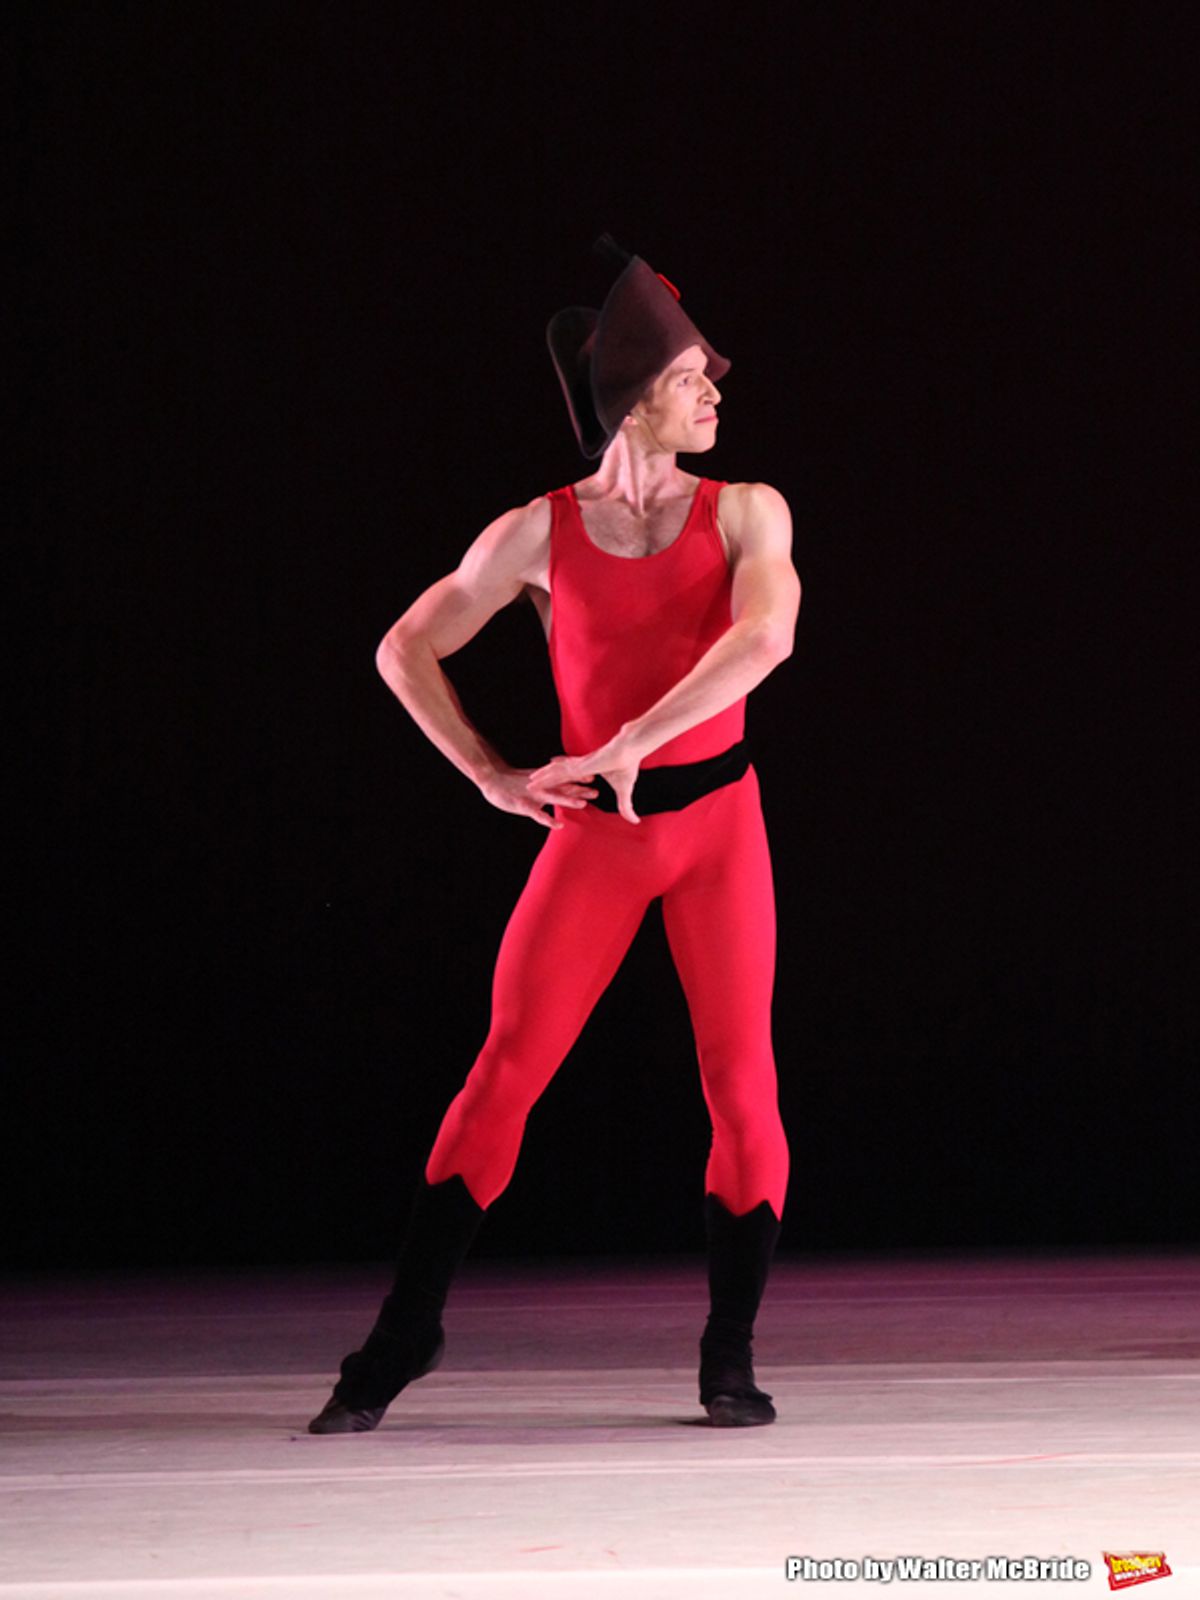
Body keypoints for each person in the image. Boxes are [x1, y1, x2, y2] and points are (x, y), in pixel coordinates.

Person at [308, 237, 801, 1434]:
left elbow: (764, 640)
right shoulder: (536, 531)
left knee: (740, 1085)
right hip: (596, 836)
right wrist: (489, 772)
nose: (717, 397)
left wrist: (636, 733)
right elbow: (403, 646)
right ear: (639, 398)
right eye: (696, 381)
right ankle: (404, 1331)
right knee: (502, 1073)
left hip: (717, 826)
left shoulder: (749, 511)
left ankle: (727, 1351)